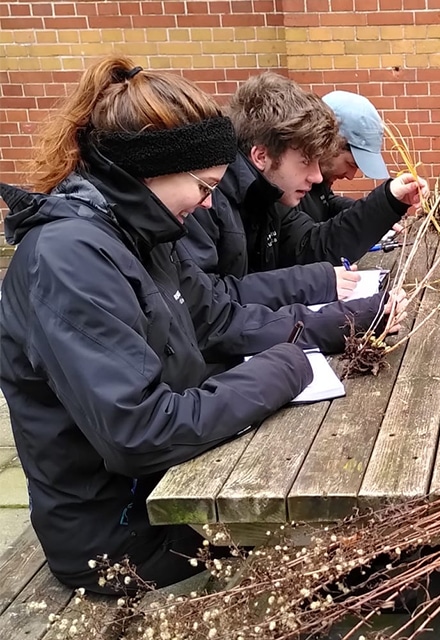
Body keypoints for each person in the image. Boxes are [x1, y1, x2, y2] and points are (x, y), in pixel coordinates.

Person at [0, 57, 406, 593]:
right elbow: (139, 432)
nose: (211, 202)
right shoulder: (68, 261)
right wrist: (285, 369)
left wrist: (345, 322)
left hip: (169, 489)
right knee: (350, 565)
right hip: (122, 537)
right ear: (152, 170)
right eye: (204, 185)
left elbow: (219, 316)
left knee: (371, 545)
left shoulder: (140, 233)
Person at [178, 73, 425, 310]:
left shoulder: (269, 195)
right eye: (306, 161)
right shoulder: (203, 205)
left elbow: (310, 247)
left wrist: (388, 202)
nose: (317, 177)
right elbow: (210, 306)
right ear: (261, 156)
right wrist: (314, 285)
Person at [298, 90, 392, 224]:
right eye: (351, 164)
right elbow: (309, 235)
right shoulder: (288, 188)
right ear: (328, 143)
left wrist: (368, 213)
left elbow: (326, 202)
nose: (351, 176)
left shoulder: (318, 182)